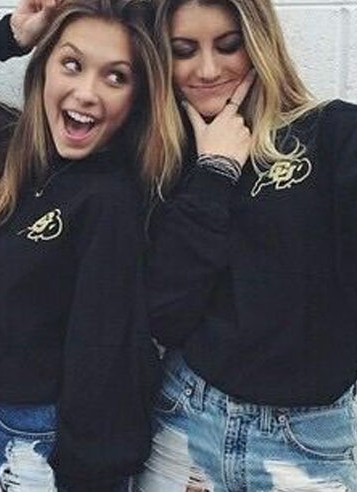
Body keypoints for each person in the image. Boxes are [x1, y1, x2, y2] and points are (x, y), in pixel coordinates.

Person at [0, 0, 180, 489]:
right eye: (72, 64)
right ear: (43, 68)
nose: (87, 93)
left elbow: (106, 355)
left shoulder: (110, 198)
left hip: (46, 445)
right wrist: (10, 33)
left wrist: (86, 473)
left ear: (137, 98)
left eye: (116, 77)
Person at [133, 0, 357, 490]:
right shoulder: (167, 157)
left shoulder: (334, 132)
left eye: (228, 45)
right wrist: (214, 174)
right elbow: (164, 315)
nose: (207, 70)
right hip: (183, 424)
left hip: (303, 442)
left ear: (259, 43)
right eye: (183, 50)